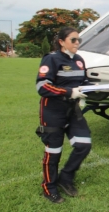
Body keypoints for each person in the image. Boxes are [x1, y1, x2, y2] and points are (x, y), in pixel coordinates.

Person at [35, 26, 92, 203]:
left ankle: (65, 178)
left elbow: (84, 81)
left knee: (84, 144)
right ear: (61, 42)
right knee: (53, 152)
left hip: (73, 111)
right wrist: (69, 92)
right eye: (73, 40)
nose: (77, 43)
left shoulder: (80, 60)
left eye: (78, 40)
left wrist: (96, 88)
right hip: (53, 112)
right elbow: (42, 86)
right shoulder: (51, 59)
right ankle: (49, 188)